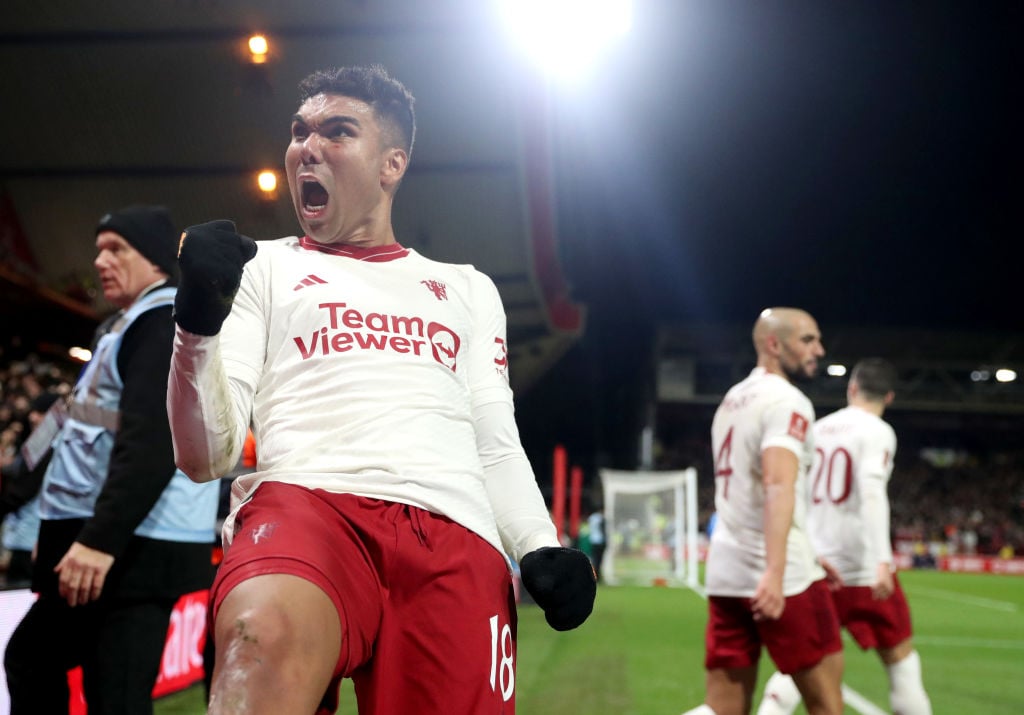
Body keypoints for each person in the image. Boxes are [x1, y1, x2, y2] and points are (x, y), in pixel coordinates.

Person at [167, 64, 596, 715]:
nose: (307, 148)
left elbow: (494, 441)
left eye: (337, 132)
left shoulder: (468, 289)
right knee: (262, 643)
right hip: (308, 507)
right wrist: (196, 325)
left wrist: (537, 543)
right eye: (299, 131)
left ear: (391, 163)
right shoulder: (261, 268)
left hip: (455, 534)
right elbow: (207, 458)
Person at [3, 205, 220, 715]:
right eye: (99, 248)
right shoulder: (123, 326)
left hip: (133, 549)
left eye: (117, 248)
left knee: (84, 681)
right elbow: (67, 432)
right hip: (120, 543)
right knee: (60, 672)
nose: (100, 260)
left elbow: (152, 443)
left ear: (154, 261)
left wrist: (97, 542)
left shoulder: (162, 322)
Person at [680, 307, 843, 715]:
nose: (818, 350)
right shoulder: (788, 401)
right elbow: (776, 482)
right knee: (825, 701)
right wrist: (774, 568)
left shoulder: (731, 400)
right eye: (807, 340)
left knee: (722, 707)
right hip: (781, 579)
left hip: (726, 572)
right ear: (774, 344)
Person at [757, 358, 932, 715]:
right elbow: (870, 492)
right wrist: (883, 560)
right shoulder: (878, 431)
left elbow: (794, 492)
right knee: (901, 663)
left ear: (851, 388)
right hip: (863, 570)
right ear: (890, 397)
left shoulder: (817, 428)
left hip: (818, 568)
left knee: (801, 665)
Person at [0, 391, 61, 584]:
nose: (33, 417)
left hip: (28, 536)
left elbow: (22, 491)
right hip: (29, 534)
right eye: (34, 411)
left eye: (41, 412)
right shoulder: (50, 440)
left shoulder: (46, 442)